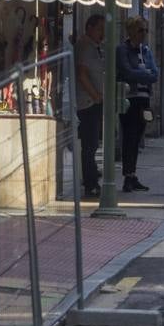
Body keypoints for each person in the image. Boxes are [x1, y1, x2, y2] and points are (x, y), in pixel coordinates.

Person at [116, 16, 158, 193]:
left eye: (146, 30)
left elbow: (155, 74)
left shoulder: (146, 51)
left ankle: (132, 175)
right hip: (129, 99)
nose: (144, 34)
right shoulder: (123, 50)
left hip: (144, 98)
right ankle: (127, 176)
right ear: (131, 30)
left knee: (138, 138)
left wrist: (143, 73)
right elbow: (126, 72)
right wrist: (144, 73)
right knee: (129, 137)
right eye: (141, 30)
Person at [74, 13, 105, 199]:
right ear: (90, 28)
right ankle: (90, 182)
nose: (103, 33)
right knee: (89, 144)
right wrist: (96, 97)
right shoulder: (85, 46)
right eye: (100, 28)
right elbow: (82, 74)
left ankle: (92, 176)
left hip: (93, 102)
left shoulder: (95, 47)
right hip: (87, 102)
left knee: (93, 144)